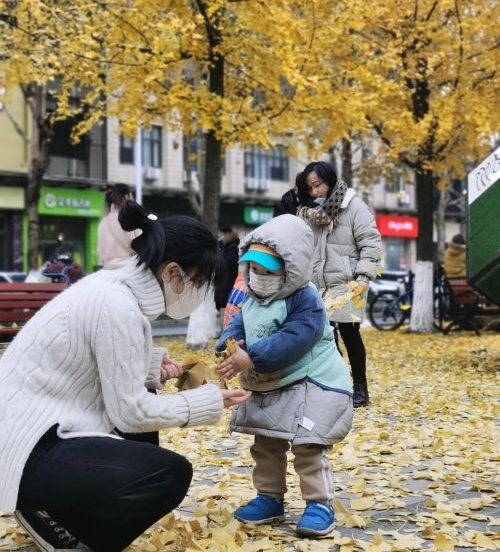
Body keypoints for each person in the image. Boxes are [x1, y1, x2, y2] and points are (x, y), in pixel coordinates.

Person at [0, 201, 250, 552]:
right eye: (199, 282)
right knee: (170, 474)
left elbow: (82, 355)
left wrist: (149, 367)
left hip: (29, 435)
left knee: (145, 434)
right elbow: (130, 413)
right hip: (23, 450)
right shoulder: (116, 305)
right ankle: (72, 531)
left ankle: (53, 509)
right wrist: (205, 401)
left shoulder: (112, 287)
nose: (200, 293)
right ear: (172, 273)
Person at [215, 214, 353, 538]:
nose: (259, 277)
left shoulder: (306, 299)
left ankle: (319, 504)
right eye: (254, 270)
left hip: (315, 381)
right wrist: (227, 345)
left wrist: (252, 356)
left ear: (291, 269)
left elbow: (294, 338)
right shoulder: (253, 298)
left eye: (268, 271)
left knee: (308, 445)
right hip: (275, 381)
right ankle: (269, 498)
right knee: (266, 441)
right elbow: (238, 324)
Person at [295, 161, 382, 408]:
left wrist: (364, 277)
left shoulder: (354, 207)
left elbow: (371, 243)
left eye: (318, 185)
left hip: (348, 284)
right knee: (325, 337)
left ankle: (360, 386)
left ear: (330, 181)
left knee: (350, 335)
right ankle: (338, 383)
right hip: (317, 285)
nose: (315, 192)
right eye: (310, 187)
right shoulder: (308, 213)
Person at [97, 183, 138, 266]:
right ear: (126, 196)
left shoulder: (103, 222)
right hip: (129, 269)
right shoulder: (132, 219)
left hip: (108, 270)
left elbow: (100, 253)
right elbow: (139, 247)